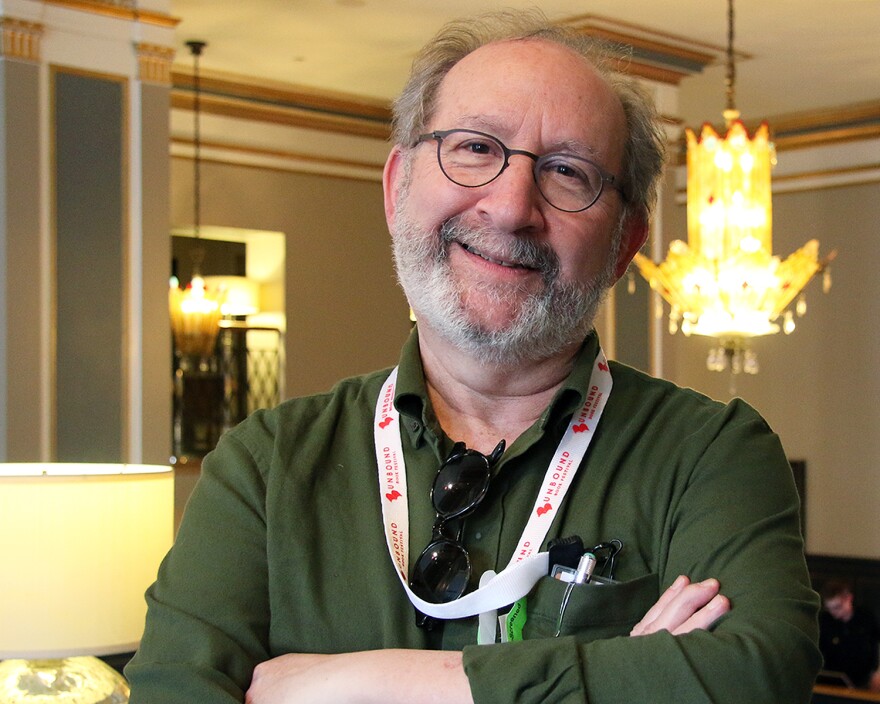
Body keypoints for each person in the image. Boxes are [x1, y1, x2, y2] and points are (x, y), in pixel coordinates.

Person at [126, 10, 821, 703]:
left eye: (568, 171)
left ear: (626, 243)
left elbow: (755, 678)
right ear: (398, 188)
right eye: (476, 149)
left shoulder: (713, 455)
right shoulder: (265, 469)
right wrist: (618, 673)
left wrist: (363, 682)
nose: (512, 205)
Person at [819, 580, 880, 691]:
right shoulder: (825, 620)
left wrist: (875, 672)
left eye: (837, 607)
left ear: (849, 599)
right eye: (829, 608)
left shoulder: (866, 618)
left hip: (864, 679)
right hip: (833, 680)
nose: (833, 612)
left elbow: (875, 646)